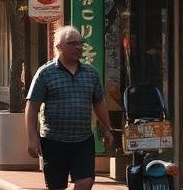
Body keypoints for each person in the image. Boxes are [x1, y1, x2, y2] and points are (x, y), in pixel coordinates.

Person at [25, 26, 116, 190]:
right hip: (53, 141)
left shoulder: (91, 73)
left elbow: (99, 102)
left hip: (83, 139)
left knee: (86, 181)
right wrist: (32, 137)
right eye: (72, 43)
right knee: (57, 186)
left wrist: (107, 128)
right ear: (59, 47)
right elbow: (32, 107)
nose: (78, 47)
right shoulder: (45, 73)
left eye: (80, 43)